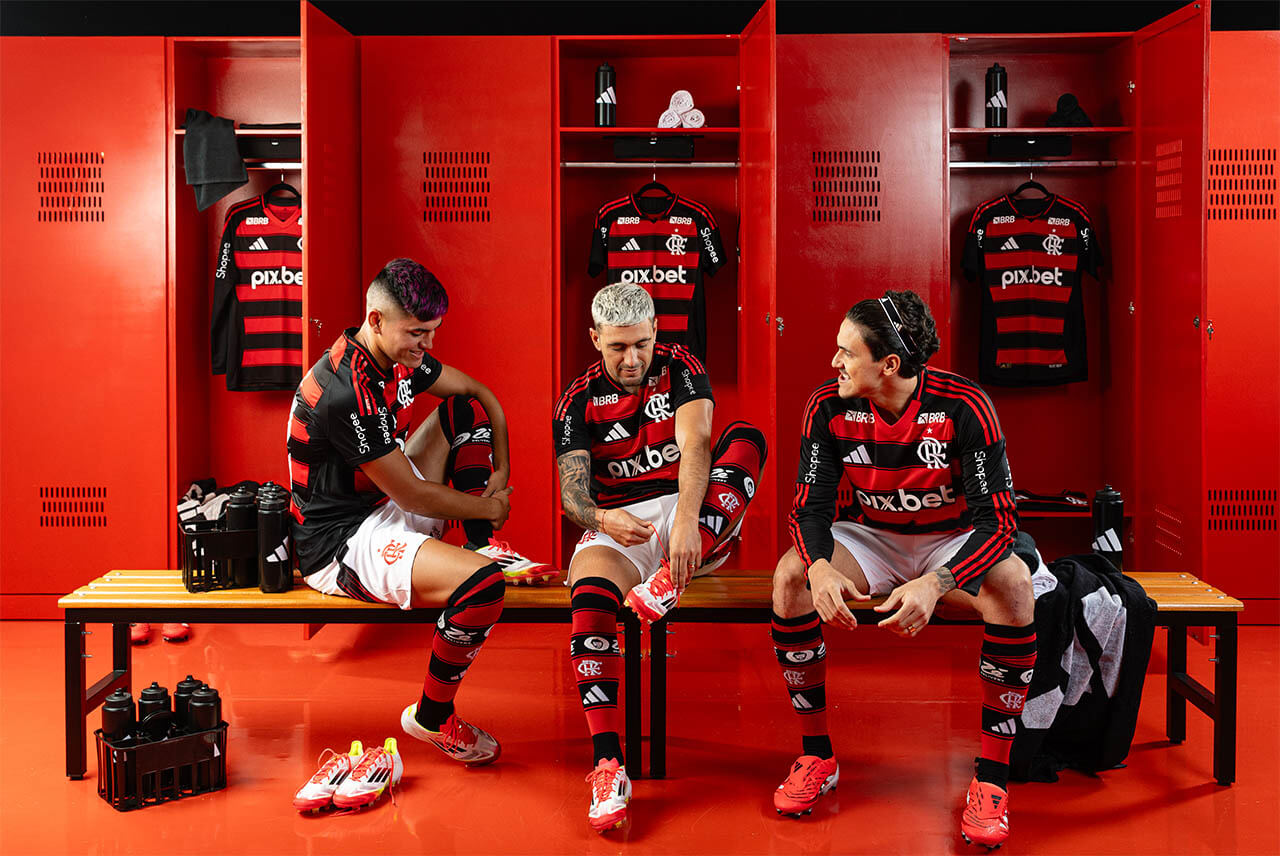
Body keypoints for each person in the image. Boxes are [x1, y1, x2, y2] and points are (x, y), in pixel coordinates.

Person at [769, 289, 1035, 849]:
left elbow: (999, 524)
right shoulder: (828, 406)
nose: (834, 362)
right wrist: (819, 567)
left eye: (846, 352)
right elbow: (809, 510)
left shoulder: (965, 406)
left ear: (889, 364)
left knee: (1014, 585)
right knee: (790, 579)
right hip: (875, 539)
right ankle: (817, 755)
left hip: (951, 541)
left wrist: (937, 583)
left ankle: (992, 780)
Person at [287, 258, 553, 772]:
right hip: (340, 541)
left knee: (461, 413)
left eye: (431, 332)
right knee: (483, 588)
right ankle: (433, 716)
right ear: (378, 320)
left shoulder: (395, 355)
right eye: (417, 333)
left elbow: (480, 395)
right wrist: (490, 506)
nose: (426, 345)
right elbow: (411, 495)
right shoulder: (344, 390)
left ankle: (481, 543)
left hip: (380, 500)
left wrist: (503, 468)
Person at [554, 284, 767, 832]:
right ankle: (608, 763)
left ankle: (672, 580)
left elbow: (697, 444)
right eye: (618, 347)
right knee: (591, 603)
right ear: (595, 338)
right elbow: (572, 496)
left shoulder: (681, 366)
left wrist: (688, 524)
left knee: (746, 439)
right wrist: (603, 520)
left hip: (689, 510)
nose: (632, 359)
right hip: (621, 524)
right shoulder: (575, 400)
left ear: (656, 334)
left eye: (643, 344)